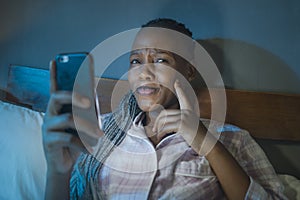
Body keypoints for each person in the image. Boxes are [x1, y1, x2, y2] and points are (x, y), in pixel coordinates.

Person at [42, 18, 286, 199]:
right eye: (136, 61)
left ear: (189, 70)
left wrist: (204, 141)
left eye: (160, 60)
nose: (144, 72)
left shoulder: (233, 139)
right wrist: (57, 172)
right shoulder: (100, 133)